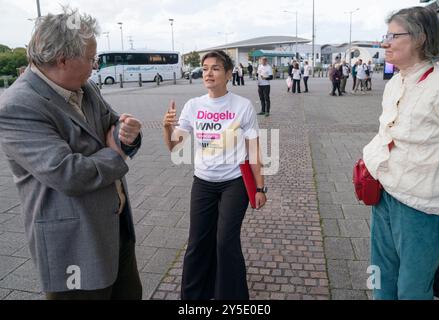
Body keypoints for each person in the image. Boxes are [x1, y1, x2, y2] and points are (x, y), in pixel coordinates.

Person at [0, 8, 143, 300]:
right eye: (91, 59)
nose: (95, 66)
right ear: (63, 59)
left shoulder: (85, 87)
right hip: (75, 244)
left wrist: (127, 133)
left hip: (116, 229)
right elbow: (69, 174)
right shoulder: (18, 106)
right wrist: (116, 153)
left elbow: (113, 124)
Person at [163, 50, 267, 299]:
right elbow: (174, 145)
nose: (208, 73)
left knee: (225, 242)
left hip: (235, 183)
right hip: (203, 183)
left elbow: (254, 150)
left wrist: (260, 188)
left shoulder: (242, 107)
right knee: (198, 242)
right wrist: (167, 128)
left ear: (229, 74)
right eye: (205, 68)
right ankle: (194, 297)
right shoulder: (193, 106)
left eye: (216, 68)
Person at [362, 6, 439, 300]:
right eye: (384, 35)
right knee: (380, 278)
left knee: (412, 288)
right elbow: (386, 133)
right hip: (384, 195)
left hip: (422, 207)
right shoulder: (395, 82)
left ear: (420, 38)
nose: (384, 42)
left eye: (393, 35)